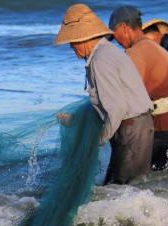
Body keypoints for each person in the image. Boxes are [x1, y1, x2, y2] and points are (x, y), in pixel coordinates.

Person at [55, 4, 154, 184]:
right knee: (124, 187)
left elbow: (117, 108)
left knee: (123, 191)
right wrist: (75, 119)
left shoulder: (100, 60)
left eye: (71, 42)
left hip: (131, 129)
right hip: (136, 126)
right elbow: (106, 103)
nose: (71, 48)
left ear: (82, 38)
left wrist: (99, 139)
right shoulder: (107, 52)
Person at [109, 6, 168, 170]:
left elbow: (126, 96)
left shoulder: (135, 53)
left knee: (150, 185)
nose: (117, 42)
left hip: (164, 129)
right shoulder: (158, 48)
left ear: (124, 28)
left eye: (115, 35)